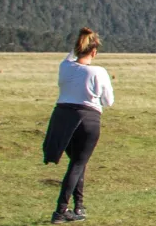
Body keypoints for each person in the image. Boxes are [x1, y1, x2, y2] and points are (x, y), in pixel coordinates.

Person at [42, 28, 114, 224]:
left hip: (61, 118)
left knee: (77, 163)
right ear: (94, 52)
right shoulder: (98, 72)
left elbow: (70, 57)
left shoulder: (65, 66)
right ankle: (60, 211)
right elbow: (109, 101)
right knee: (77, 164)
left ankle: (79, 206)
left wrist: (81, 40)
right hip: (87, 119)